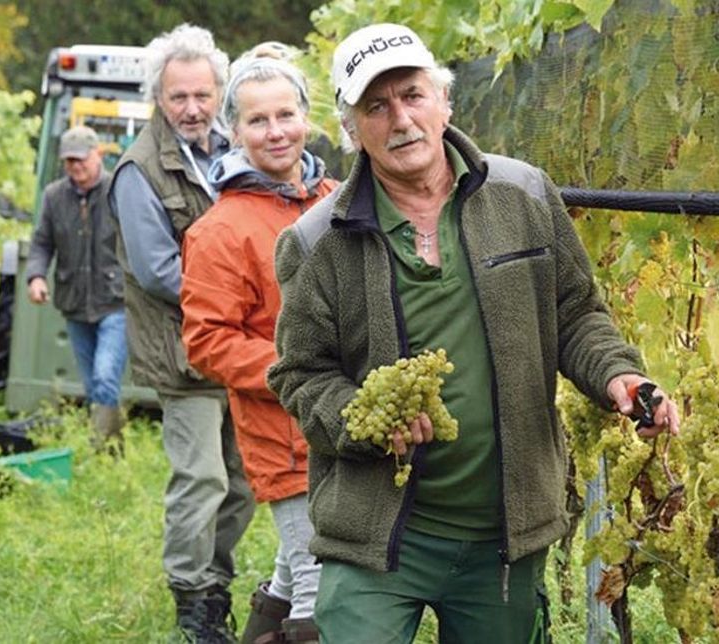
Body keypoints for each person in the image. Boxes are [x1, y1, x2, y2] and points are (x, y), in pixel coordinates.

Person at [266, 23, 681, 644]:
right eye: (375, 107)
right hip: (377, 534)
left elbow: (575, 313)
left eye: (412, 94)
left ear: (444, 101)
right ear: (351, 130)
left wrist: (619, 376)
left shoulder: (524, 194)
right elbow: (300, 375)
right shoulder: (315, 243)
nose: (400, 118)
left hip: (501, 536)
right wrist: (365, 418)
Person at [180, 45, 337, 644]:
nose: (276, 132)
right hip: (286, 435)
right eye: (257, 120)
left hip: (345, 423)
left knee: (289, 575)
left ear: (306, 115)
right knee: (321, 589)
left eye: (285, 114)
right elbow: (207, 341)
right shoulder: (220, 230)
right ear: (234, 131)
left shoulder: (339, 199)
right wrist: (299, 370)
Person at [108, 23, 255, 643]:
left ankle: (215, 585)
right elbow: (157, 270)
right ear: (158, 100)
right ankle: (191, 600)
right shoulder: (137, 170)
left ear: (218, 92)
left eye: (202, 95)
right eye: (178, 98)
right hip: (186, 351)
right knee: (202, 479)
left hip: (240, 350)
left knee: (245, 481)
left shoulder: (235, 150)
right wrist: (240, 301)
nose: (192, 109)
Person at [24, 125, 127, 451]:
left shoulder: (119, 191)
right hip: (75, 303)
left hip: (115, 302)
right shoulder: (55, 196)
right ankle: (113, 450)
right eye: (69, 162)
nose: (75, 168)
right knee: (91, 383)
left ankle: (100, 453)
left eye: (81, 160)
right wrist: (36, 276)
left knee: (105, 377)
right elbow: (42, 243)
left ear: (97, 155)